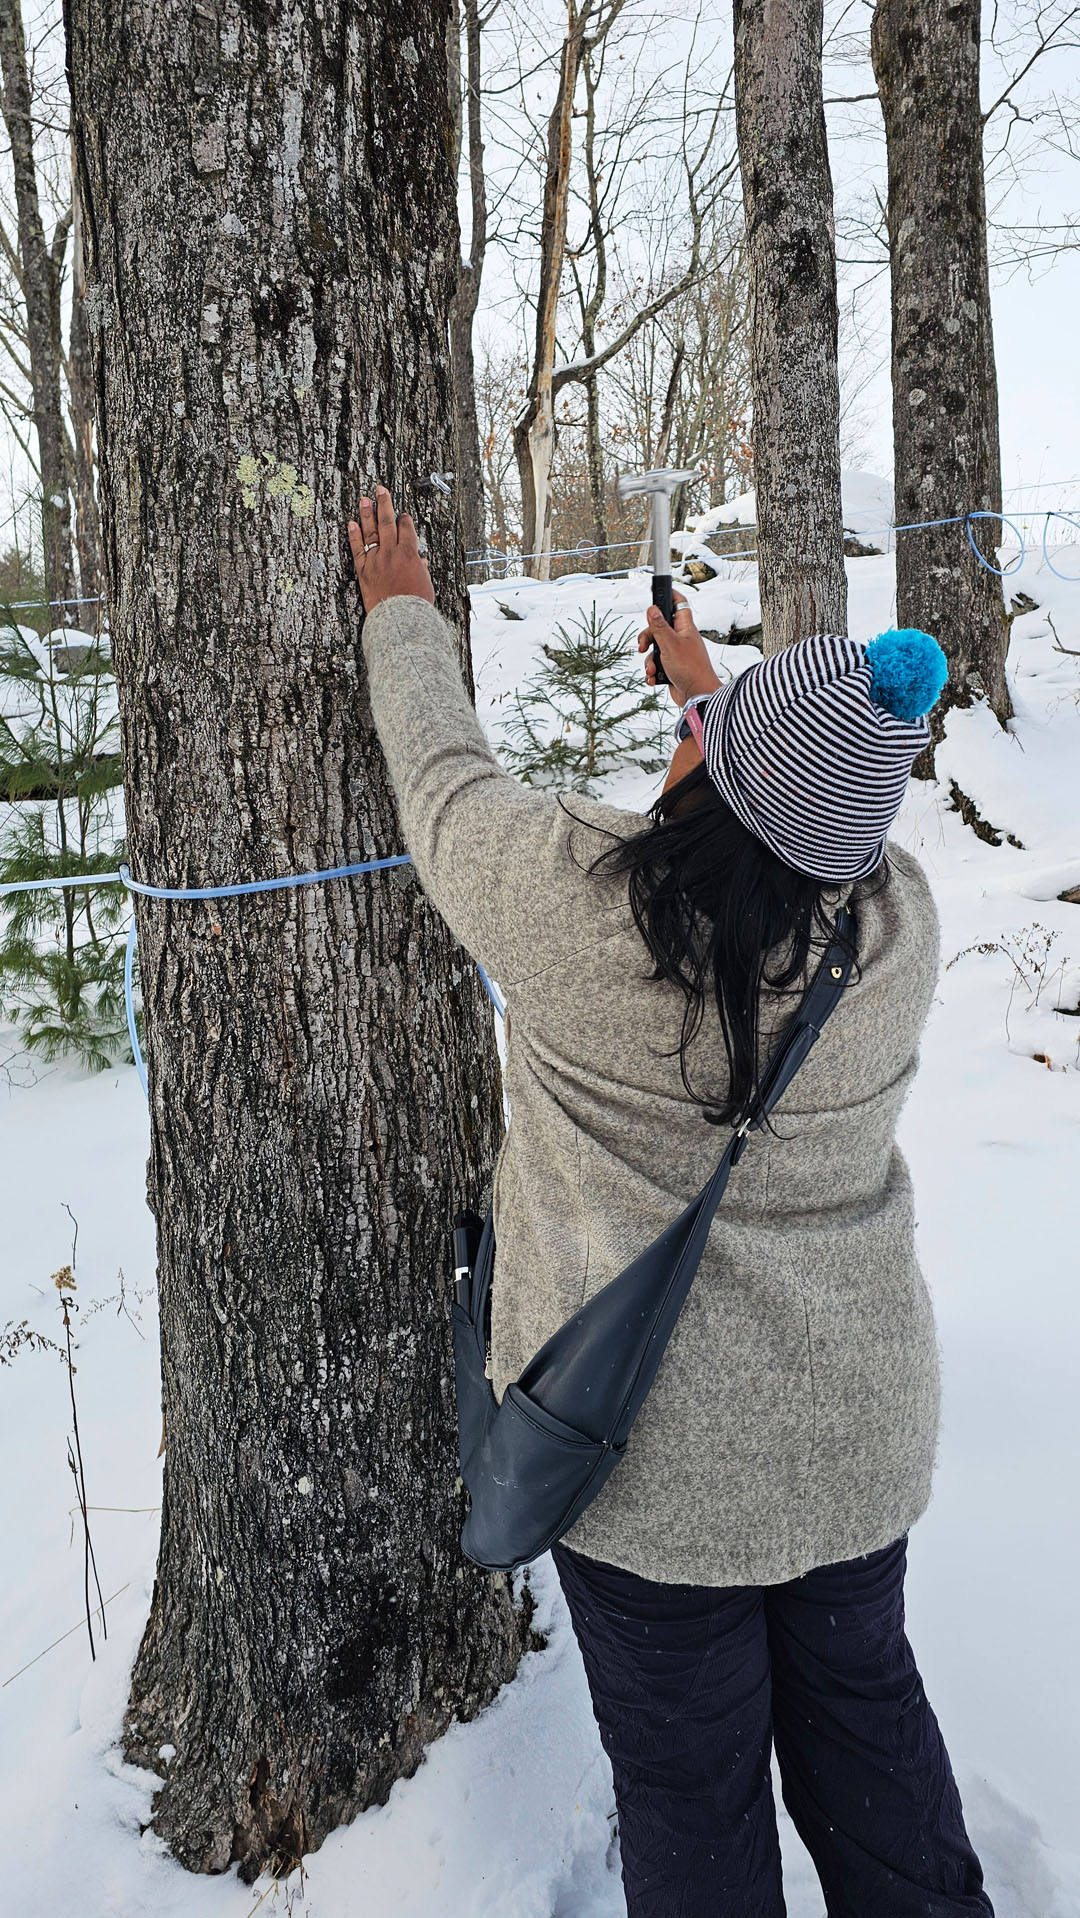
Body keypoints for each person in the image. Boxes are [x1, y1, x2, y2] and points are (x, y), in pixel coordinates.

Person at [347, 488, 993, 1918]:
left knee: (694, 1797)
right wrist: (722, 704)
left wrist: (401, 612)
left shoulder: (575, 904)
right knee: (871, 1749)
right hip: (853, 1444)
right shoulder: (898, 931)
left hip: (652, 1479)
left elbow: (446, 788)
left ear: (719, 779)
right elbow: (811, 824)